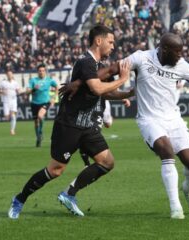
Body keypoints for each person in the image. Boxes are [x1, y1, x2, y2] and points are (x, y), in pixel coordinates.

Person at [62, 33, 189, 219]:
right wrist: (79, 82)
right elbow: (112, 69)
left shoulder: (181, 65)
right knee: (166, 150)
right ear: (164, 49)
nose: (180, 55)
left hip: (174, 120)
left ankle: (187, 190)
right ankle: (175, 207)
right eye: (177, 52)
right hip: (149, 119)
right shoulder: (142, 58)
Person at [8, 25, 132, 219]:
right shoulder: (85, 62)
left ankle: (69, 194)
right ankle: (19, 199)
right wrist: (123, 79)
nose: (113, 46)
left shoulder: (98, 66)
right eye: (111, 42)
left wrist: (128, 93)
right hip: (69, 125)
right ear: (98, 41)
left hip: (87, 126)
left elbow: (104, 93)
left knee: (107, 162)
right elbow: (97, 88)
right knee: (55, 170)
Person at [27, 63, 58, 147]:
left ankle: (40, 132)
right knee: (36, 122)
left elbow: (57, 87)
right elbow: (28, 91)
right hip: (34, 103)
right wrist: (34, 89)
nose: (41, 72)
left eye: (43, 71)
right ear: (37, 71)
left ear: (45, 71)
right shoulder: (33, 80)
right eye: (40, 71)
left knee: (40, 116)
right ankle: (38, 137)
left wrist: (53, 98)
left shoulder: (49, 80)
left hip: (45, 102)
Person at [0, 69, 20, 135]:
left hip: (13, 101)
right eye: (8, 74)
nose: (9, 75)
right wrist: (2, 92)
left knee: (13, 116)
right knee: (7, 117)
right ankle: (8, 119)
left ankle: (12, 130)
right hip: (6, 101)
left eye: (10, 74)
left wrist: (19, 92)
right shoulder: (3, 83)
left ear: (12, 75)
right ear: (6, 75)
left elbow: (18, 91)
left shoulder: (15, 83)